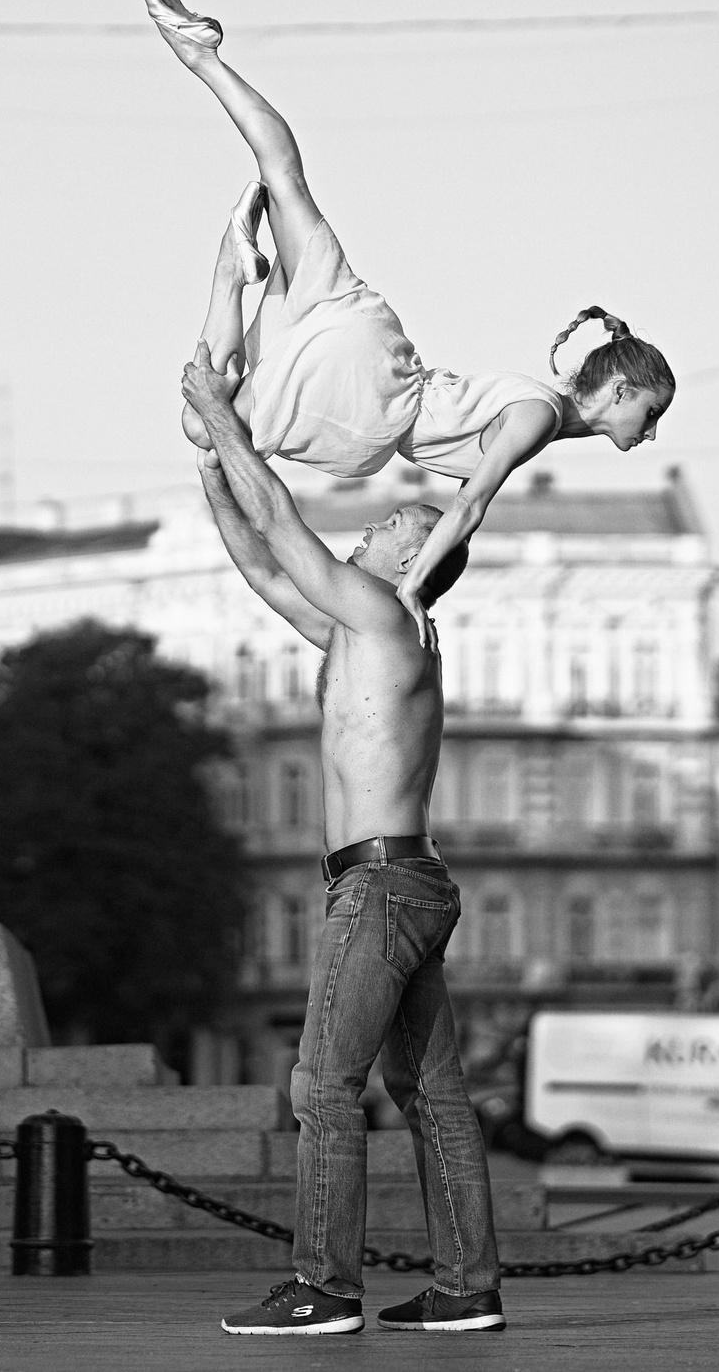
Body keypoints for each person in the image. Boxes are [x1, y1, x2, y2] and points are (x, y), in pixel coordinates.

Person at [145, 0, 675, 642]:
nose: (650, 431)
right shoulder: (539, 416)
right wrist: (414, 594)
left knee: (284, 176)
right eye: (649, 412)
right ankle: (226, 283)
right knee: (206, 431)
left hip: (375, 337)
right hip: (374, 403)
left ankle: (203, 59)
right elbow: (469, 507)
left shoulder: (532, 404)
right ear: (619, 388)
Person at [182, 349, 501, 1336]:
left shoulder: (383, 613)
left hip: (377, 886)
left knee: (321, 1084)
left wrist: (222, 418)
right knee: (431, 1091)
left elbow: (288, 526)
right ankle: (464, 1286)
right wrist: (211, 475)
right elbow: (265, 564)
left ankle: (324, 1285)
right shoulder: (361, 635)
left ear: (412, 563)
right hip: (406, 877)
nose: (374, 527)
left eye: (393, 525)